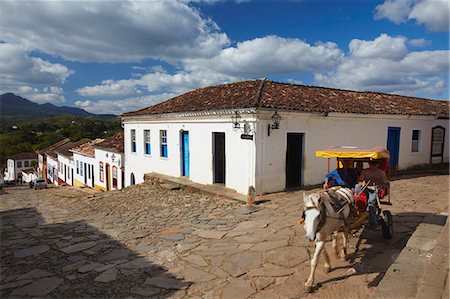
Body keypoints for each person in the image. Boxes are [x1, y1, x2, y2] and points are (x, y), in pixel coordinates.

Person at [358, 160, 389, 228]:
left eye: (375, 164)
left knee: (371, 202)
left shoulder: (381, 173)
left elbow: (386, 183)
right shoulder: (365, 171)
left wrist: (378, 182)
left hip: (376, 189)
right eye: (372, 164)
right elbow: (360, 181)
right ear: (369, 164)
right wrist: (362, 183)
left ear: (377, 165)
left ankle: (373, 222)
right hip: (366, 188)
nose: (373, 166)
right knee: (357, 188)